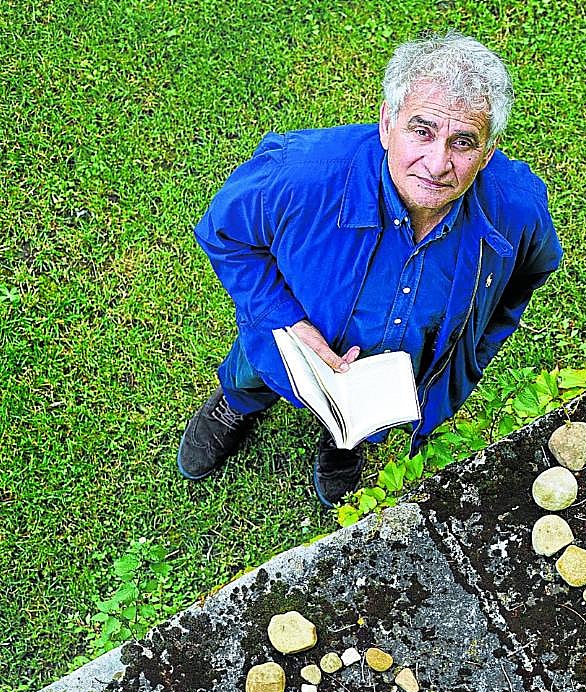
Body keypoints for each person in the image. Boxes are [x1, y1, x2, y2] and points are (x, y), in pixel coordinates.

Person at [177, 32, 562, 506]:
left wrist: (474, 350)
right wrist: (286, 321)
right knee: (252, 371)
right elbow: (225, 234)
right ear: (386, 123)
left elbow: (526, 276)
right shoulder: (300, 174)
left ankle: (345, 444)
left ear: (487, 152)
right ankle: (235, 407)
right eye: (422, 131)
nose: (438, 163)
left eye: (463, 142)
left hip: (393, 379)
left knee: (362, 424)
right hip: (287, 343)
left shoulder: (518, 210)